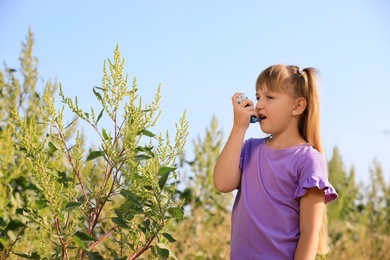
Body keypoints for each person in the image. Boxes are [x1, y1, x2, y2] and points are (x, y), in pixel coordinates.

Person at [213, 64, 338, 259]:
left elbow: (309, 234)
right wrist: (238, 128)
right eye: (257, 97)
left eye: (269, 97)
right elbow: (222, 183)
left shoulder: (309, 160)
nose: (260, 104)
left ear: (297, 106)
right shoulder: (249, 148)